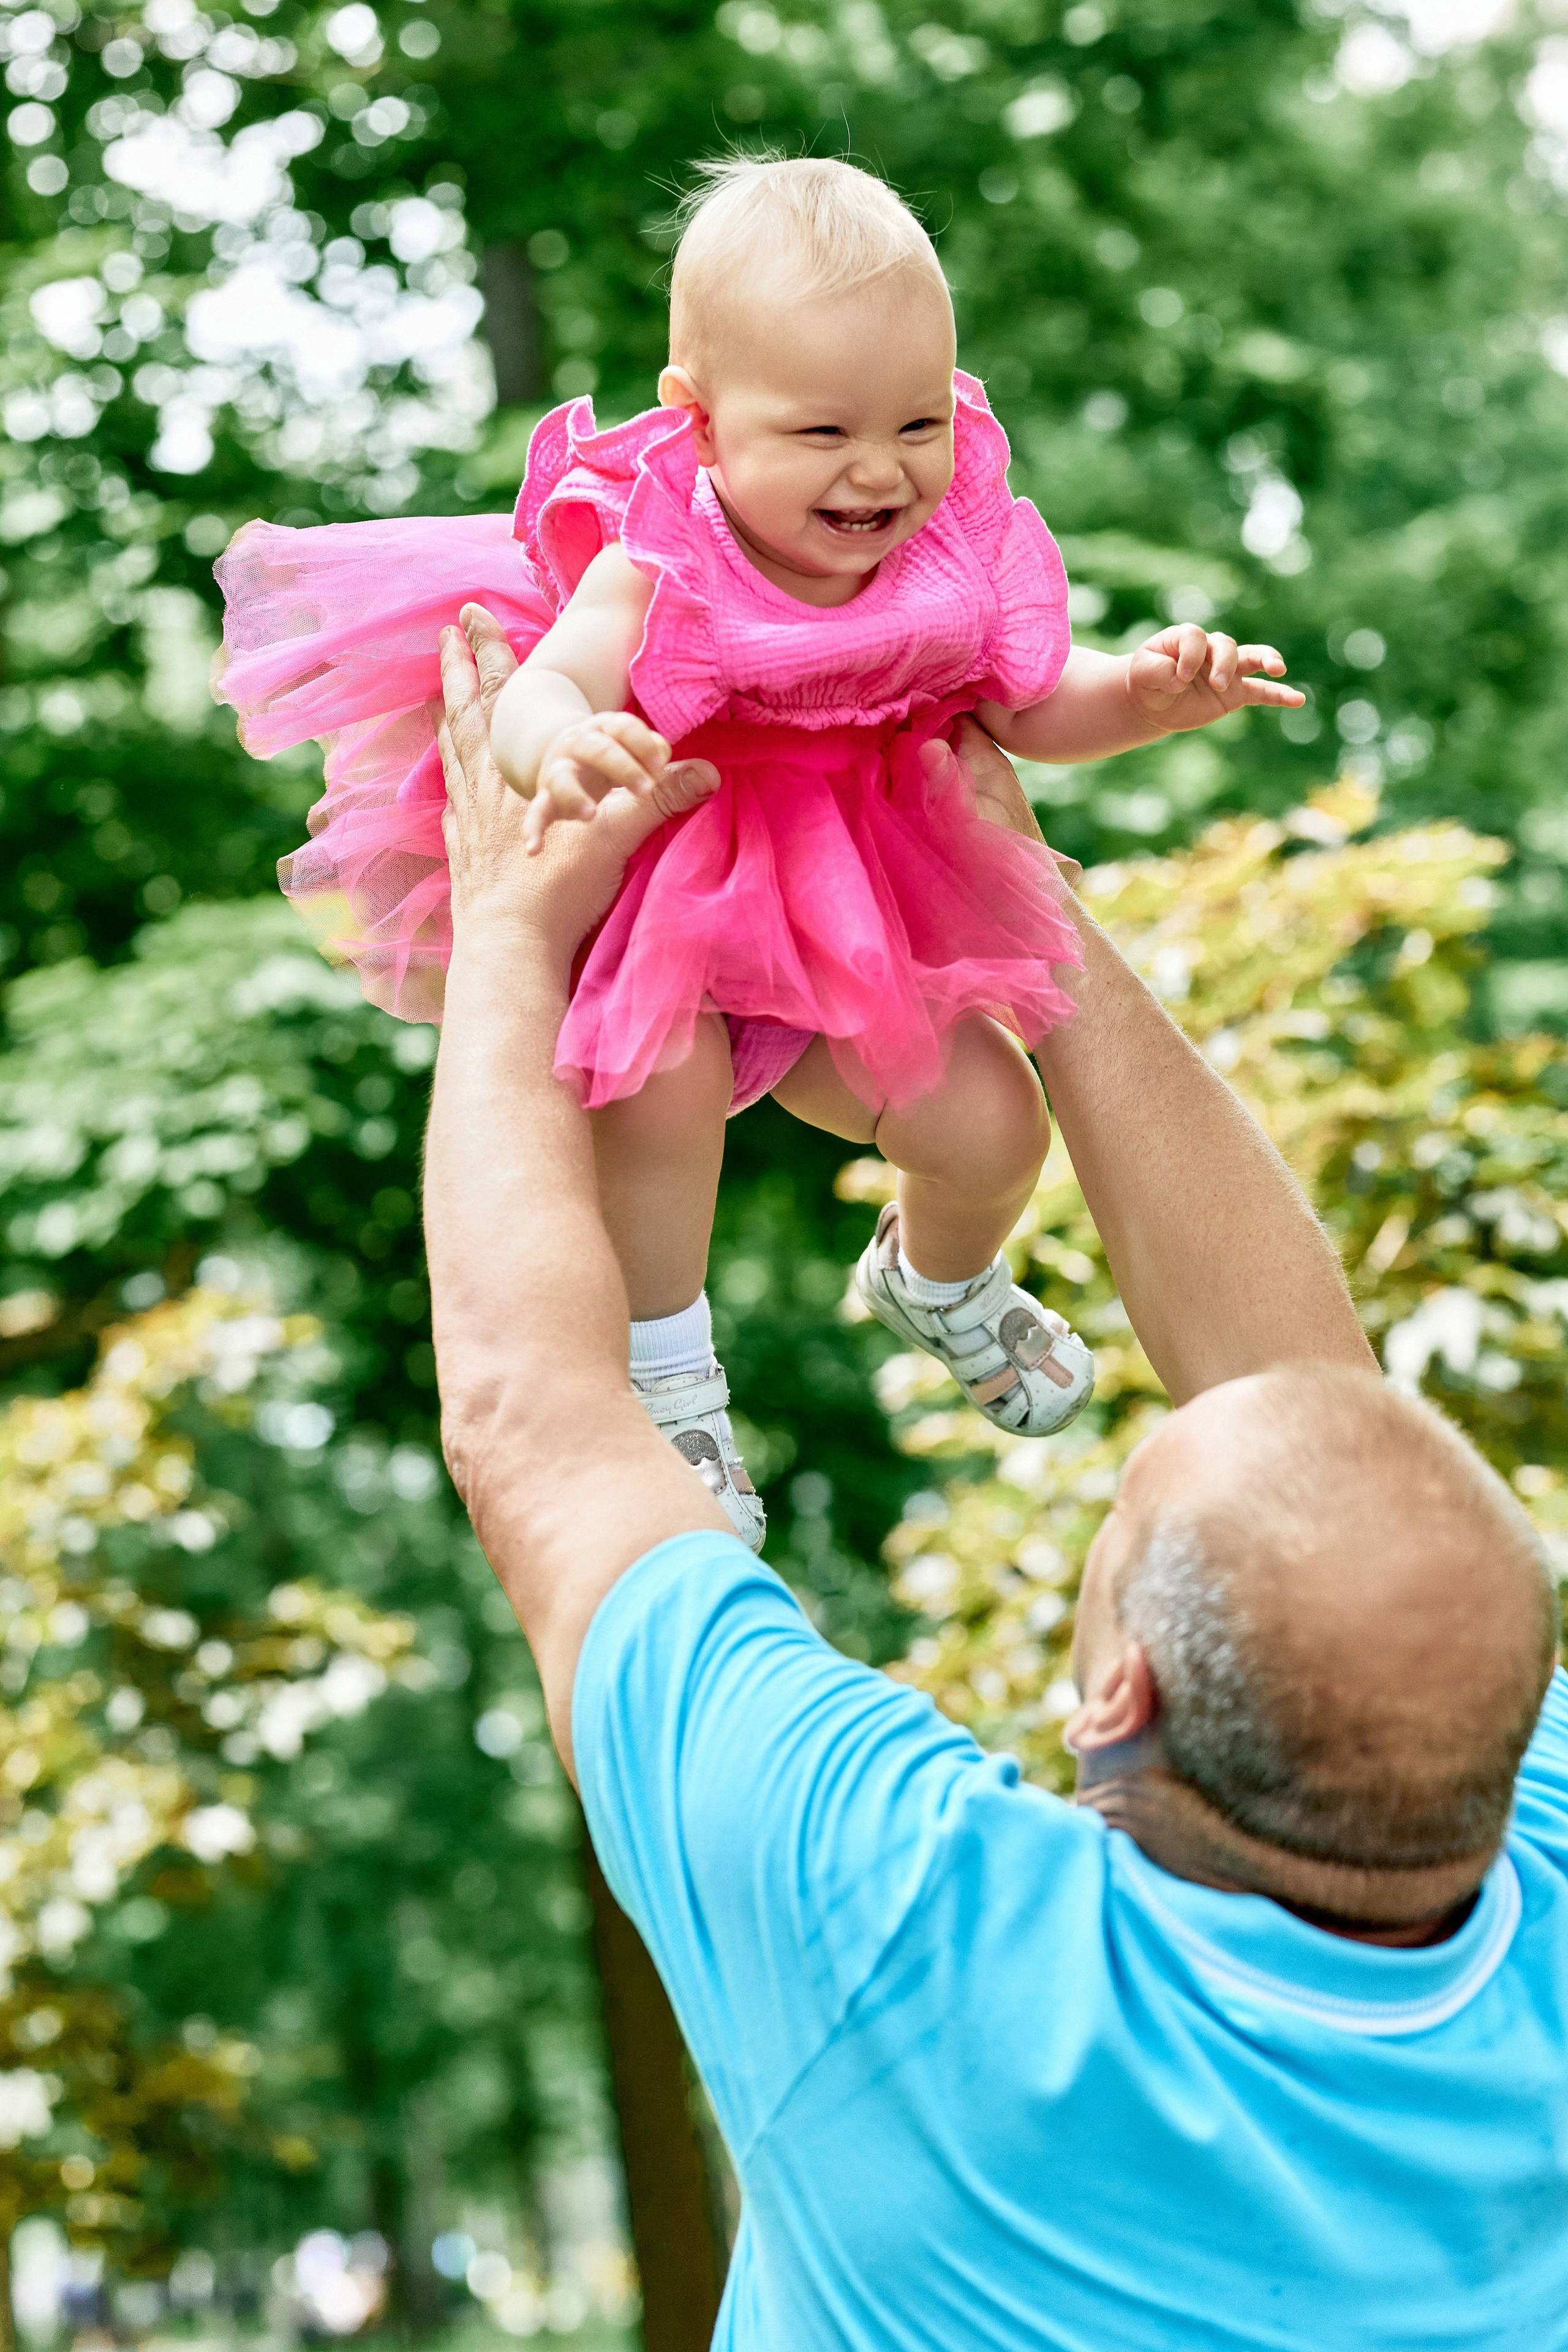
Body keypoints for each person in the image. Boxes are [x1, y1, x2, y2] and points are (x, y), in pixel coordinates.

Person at [424, 608, 1567, 2351]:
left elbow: (535, 1420)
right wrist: (1022, 904)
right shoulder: (1515, 1857)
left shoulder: (901, 1930)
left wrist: (509, 931)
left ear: (1122, 1694)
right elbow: (1322, 1445)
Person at [214, 156, 1303, 1553]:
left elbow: (1030, 704)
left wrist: (1146, 698)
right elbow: (550, 684)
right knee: (655, 1087)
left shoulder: (949, 549)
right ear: (701, 423)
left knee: (991, 1125)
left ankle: (939, 1278)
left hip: (862, 893)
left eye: (918, 422)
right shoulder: (662, 552)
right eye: (823, 431)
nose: (880, 470)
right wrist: (564, 748)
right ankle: (669, 1380)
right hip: (672, 868)